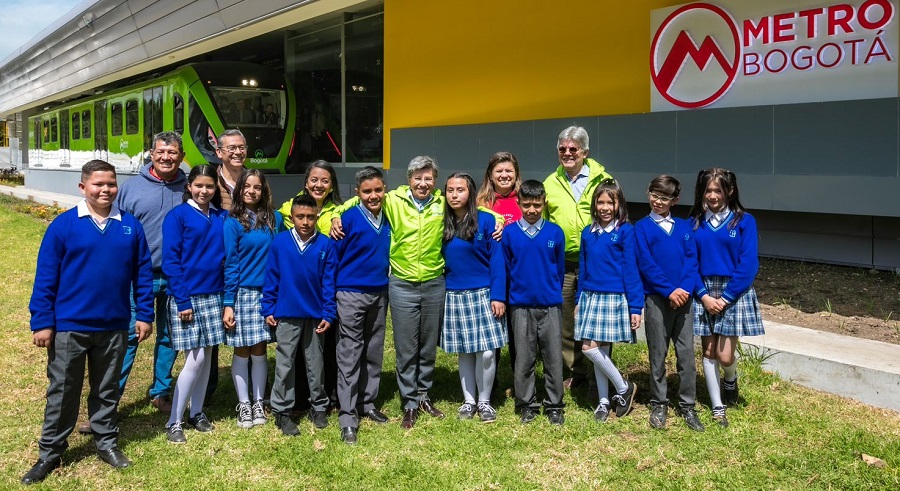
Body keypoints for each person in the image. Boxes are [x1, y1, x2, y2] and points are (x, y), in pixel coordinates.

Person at [23, 160, 154, 485]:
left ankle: (106, 443)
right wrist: (42, 321)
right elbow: (46, 278)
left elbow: (143, 274)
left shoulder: (130, 226)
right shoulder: (65, 226)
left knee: (106, 390)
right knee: (64, 391)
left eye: (111, 183)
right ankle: (50, 454)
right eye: (98, 184)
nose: (106, 189)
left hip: (114, 326)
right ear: (83, 187)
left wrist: (145, 314)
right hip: (70, 327)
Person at [330, 156, 447, 429]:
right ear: (407, 180)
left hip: (433, 282)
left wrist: (498, 218)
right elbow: (356, 201)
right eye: (417, 177)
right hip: (401, 283)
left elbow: (474, 208)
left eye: (428, 178)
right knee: (406, 347)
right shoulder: (394, 200)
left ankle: (423, 395)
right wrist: (337, 214)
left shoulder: (442, 203)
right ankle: (408, 401)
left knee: (427, 346)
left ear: (435, 180)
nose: (423, 183)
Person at [117, 131, 188, 416]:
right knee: (131, 335)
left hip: (176, 276)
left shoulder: (190, 186)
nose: (166, 157)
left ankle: (160, 391)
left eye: (172, 153)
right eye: (161, 152)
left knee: (170, 336)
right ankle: (110, 399)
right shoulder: (131, 188)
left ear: (181, 156)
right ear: (151, 153)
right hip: (139, 275)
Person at [690, 168, 764, 428]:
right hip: (704, 292)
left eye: (718, 190)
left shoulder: (744, 221)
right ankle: (717, 407)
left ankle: (730, 379)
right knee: (708, 350)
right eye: (708, 190)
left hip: (733, 292)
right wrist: (703, 295)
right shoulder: (695, 222)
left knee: (724, 356)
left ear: (729, 191)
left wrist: (726, 297)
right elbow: (690, 264)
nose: (712, 195)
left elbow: (748, 264)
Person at [543, 126, 614, 391]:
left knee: (597, 318)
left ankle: (601, 371)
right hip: (563, 263)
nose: (568, 153)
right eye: (563, 149)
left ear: (585, 152)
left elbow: (614, 216)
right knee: (566, 321)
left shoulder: (603, 179)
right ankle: (577, 373)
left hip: (595, 263)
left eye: (573, 149)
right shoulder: (551, 182)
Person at [162, 165, 228, 444]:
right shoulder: (177, 216)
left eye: (209, 186)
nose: (204, 191)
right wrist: (182, 300)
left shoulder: (221, 217)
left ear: (215, 189)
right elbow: (171, 261)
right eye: (199, 185)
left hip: (215, 295)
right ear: (189, 186)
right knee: (195, 358)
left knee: (209, 357)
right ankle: (174, 420)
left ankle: (197, 412)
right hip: (187, 297)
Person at [262, 194, 337, 436]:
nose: (305, 222)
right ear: (292, 217)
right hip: (287, 313)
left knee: (315, 363)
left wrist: (328, 312)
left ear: (317, 217)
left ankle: (319, 406)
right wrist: (268, 307)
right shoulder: (280, 242)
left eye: (310, 217)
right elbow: (272, 277)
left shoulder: (325, 244)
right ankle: (282, 410)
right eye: (300, 217)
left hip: (315, 315)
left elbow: (329, 282)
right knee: (285, 363)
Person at [634, 175, 704, 431]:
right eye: (654, 195)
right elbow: (646, 264)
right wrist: (668, 291)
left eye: (664, 198)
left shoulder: (684, 227)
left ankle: (687, 404)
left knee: (686, 353)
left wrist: (684, 289)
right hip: (656, 299)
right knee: (658, 353)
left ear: (675, 200)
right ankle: (659, 402)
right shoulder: (641, 227)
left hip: (684, 300)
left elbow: (691, 260)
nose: (658, 201)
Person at [277, 160, 343, 412]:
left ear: (331, 185)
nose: (319, 184)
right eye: (314, 179)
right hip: (297, 291)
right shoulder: (287, 209)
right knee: (296, 350)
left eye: (325, 180)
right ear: (306, 182)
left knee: (322, 348)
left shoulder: (339, 210)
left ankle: (324, 398)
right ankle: (296, 398)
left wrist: (337, 216)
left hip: (327, 285)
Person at [441, 173, 507, 423]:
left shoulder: (488, 221)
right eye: (450, 190)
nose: (454, 195)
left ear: (470, 192)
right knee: (465, 351)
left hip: (484, 294)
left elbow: (497, 262)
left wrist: (498, 295)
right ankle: (469, 402)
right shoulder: (440, 220)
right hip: (454, 294)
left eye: (460, 190)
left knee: (487, 352)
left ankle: (485, 401)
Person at [333, 167, 391, 444]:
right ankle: (347, 416)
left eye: (378, 190)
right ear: (357, 193)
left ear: (384, 190)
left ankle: (367, 403)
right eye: (367, 191)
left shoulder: (389, 217)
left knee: (373, 350)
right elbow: (335, 258)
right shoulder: (347, 219)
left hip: (380, 293)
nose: (373, 195)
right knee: (350, 353)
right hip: (351, 294)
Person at [575, 179, 641, 423]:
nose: (604, 207)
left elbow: (631, 269)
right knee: (596, 349)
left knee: (590, 347)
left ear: (618, 204)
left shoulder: (625, 231)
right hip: (590, 296)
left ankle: (623, 387)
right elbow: (583, 268)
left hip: (614, 297)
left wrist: (636, 306)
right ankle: (604, 401)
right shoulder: (588, 233)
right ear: (594, 204)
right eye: (600, 202)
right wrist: (579, 299)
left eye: (609, 202)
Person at [501, 180, 566, 425]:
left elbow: (559, 270)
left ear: (544, 203)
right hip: (520, 305)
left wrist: (551, 293)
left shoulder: (554, 232)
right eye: (526, 205)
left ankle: (554, 405)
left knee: (552, 357)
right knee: (524, 358)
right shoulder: (510, 233)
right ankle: (526, 403)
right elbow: (507, 268)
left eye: (536, 205)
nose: (531, 210)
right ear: (519, 203)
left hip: (550, 305)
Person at [223, 169, 284, 429]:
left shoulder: (276, 219)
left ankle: (259, 402)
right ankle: (244, 405)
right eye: (246, 186)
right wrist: (228, 303)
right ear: (239, 190)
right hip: (242, 293)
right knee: (242, 349)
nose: (251, 191)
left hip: (268, 292)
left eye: (257, 187)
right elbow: (231, 263)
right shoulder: (233, 222)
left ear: (263, 190)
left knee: (260, 349)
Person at [476, 151, 522, 226]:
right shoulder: (480, 203)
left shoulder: (525, 201)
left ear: (516, 174)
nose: (504, 175)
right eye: (499, 171)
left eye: (508, 171)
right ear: (490, 176)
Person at [215, 129, 248, 211]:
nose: (238, 152)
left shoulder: (256, 182)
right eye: (232, 148)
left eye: (241, 147)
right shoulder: (212, 182)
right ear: (219, 152)